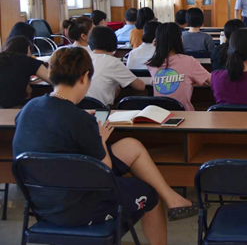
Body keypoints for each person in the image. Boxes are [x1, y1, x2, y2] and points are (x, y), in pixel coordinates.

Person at [12, 47, 197, 243]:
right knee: (149, 193)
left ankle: (173, 199)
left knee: (131, 146)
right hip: (79, 207)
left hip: (41, 202)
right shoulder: (80, 121)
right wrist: (99, 138)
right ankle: (166, 206)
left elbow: (53, 132)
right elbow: (104, 170)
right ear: (84, 77)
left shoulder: (29, 108)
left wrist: (82, 120)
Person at [147, 23, 211, 111]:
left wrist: (157, 48)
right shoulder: (189, 61)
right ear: (180, 39)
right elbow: (212, 81)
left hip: (160, 115)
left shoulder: (152, 64)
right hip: (185, 115)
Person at [86, 26, 145, 106]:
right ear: (113, 43)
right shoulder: (113, 62)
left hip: (78, 108)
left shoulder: (84, 58)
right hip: (100, 110)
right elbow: (140, 86)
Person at [0, 36, 50, 108]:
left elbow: (7, 75)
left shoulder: (2, 57)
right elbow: (53, 79)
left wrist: (26, 84)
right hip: (11, 108)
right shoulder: (27, 61)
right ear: (28, 48)